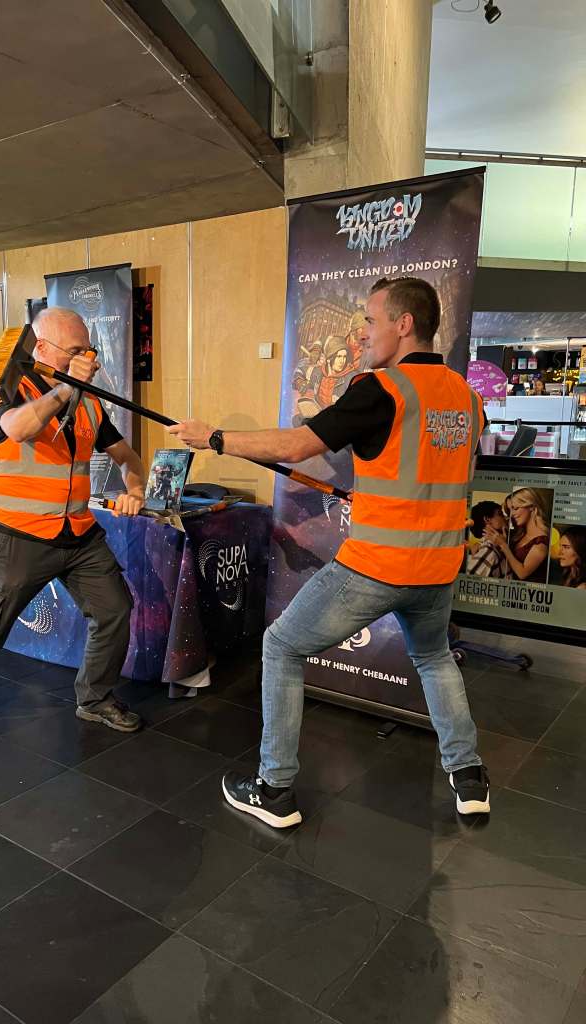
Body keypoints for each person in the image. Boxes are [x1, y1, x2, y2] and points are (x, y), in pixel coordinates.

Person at [170, 277, 489, 825]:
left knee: (282, 646)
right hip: (438, 566)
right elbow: (440, 475)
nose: (362, 332)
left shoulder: (381, 389)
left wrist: (215, 438)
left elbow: (297, 445)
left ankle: (275, 790)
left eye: (370, 320)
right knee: (434, 657)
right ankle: (469, 778)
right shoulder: (466, 396)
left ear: (403, 323)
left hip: (378, 565)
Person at [0, 307, 147, 748]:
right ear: (42, 349)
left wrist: (135, 489)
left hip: (79, 534)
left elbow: (129, 460)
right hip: (19, 536)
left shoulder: (91, 403)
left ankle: (95, 698)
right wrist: (66, 388)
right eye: (77, 351)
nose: (90, 360)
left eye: (91, 351)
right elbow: (18, 429)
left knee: (114, 609)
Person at [484, 487, 550, 583]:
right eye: (509, 510)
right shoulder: (519, 534)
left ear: (531, 506)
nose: (512, 514)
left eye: (515, 508)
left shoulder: (541, 544)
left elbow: (522, 573)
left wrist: (503, 545)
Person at [466, 500, 508, 577]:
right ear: (487, 519)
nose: (505, 517)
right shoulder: (489, 550)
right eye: (500, 514)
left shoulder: (495, 546)